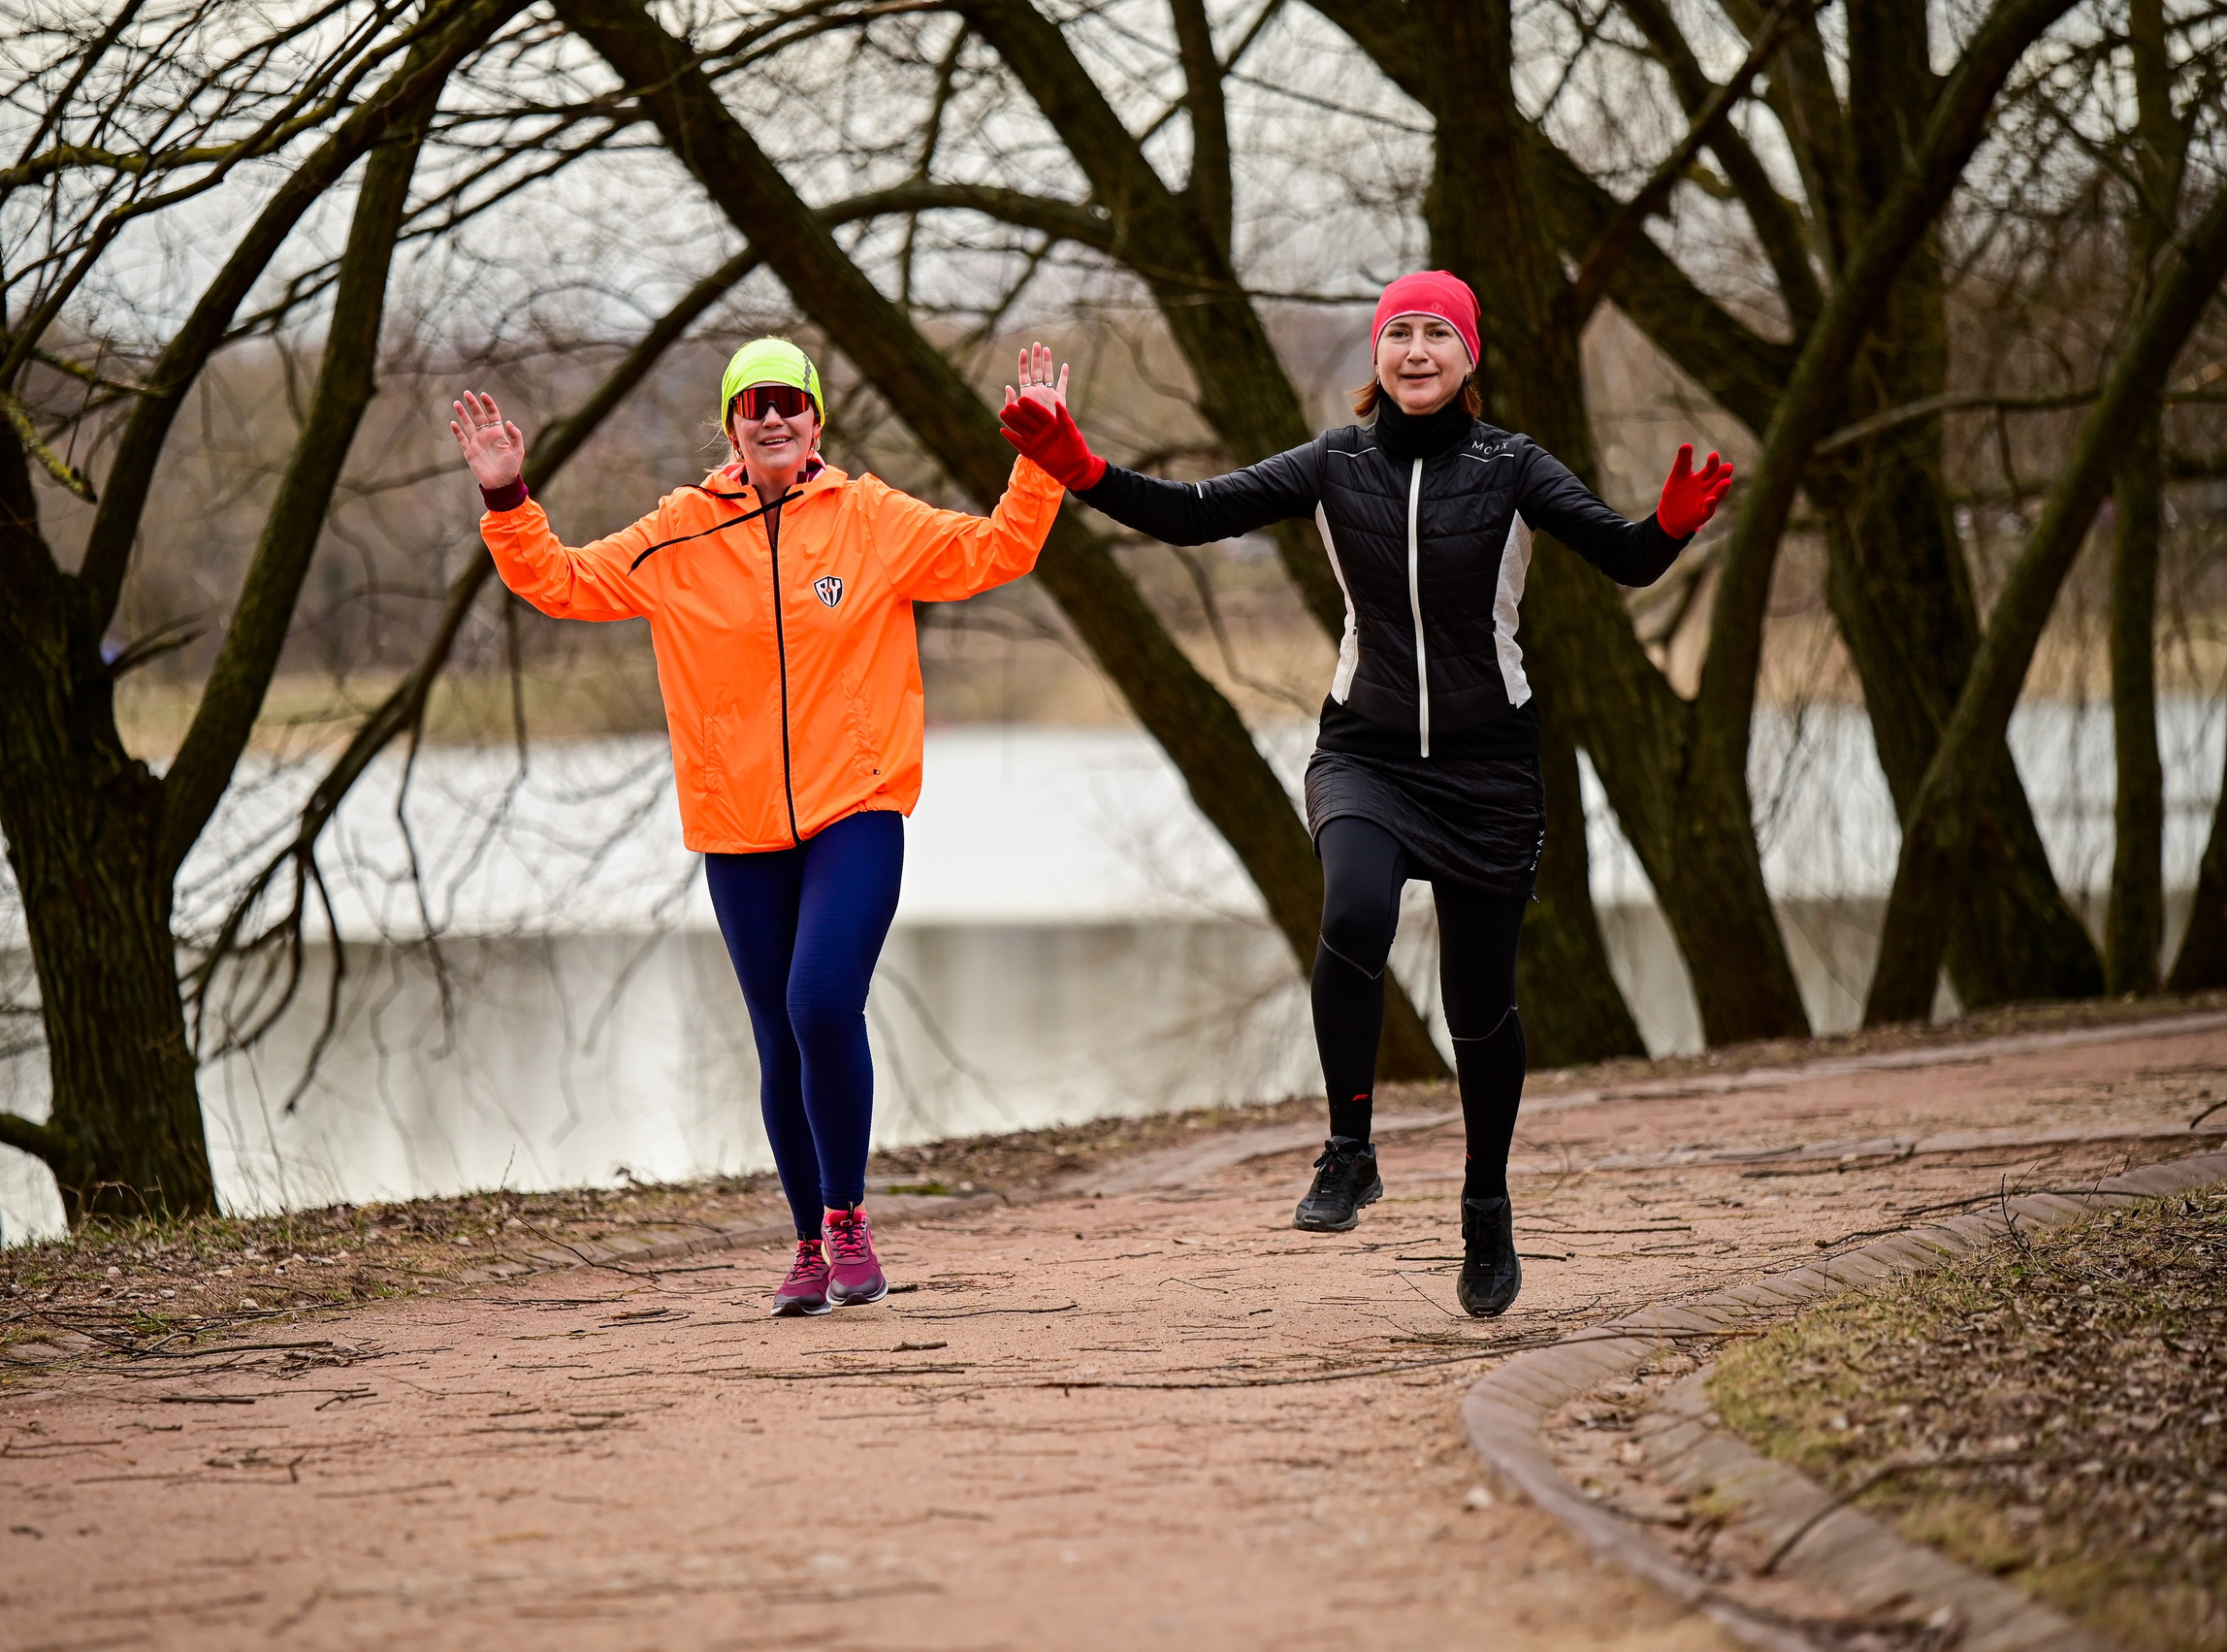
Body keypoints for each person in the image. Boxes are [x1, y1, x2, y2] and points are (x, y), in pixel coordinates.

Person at [997, 272, 1730, 1317]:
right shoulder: (1333, 464)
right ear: (1375, 356)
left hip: (1487, 768)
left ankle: (1486, 1203)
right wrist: (1075, 465)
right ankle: (1349, 1147)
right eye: (1400, 334)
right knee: (1350, 911)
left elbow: (1622, 554)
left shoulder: (1511, 464)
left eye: (1439, 334)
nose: (1418, 350)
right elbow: (1195, 513)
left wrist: (1666, 527)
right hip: (1368, 753)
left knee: (1481, 1010)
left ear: (1467, 357)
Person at [454, 338, 1072, 1316]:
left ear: (816, 420)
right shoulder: (676, 533)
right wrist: (506, 498)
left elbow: (998, 547)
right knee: (780, 1037)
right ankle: (804, 1244)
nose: (774, 417)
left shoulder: (870, 519)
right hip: (736, 827)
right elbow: (561, 581)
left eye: (791, 402)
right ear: (731, 425)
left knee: (823, 1001)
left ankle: (847, 1218)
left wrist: (1041, 453)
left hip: (854, 805)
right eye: (755, 403)